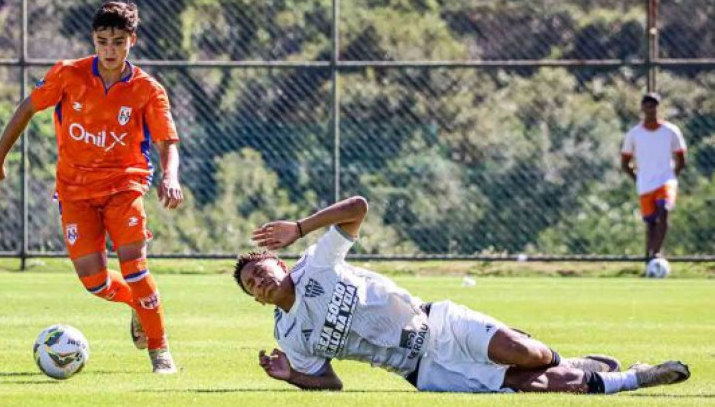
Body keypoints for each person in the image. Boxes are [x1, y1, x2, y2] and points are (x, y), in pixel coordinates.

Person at [233, 196, 691, 393]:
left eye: (261, 269)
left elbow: (358, 208)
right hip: (425, 370)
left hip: (437, 323)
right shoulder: (289, 335)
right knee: (536, 387)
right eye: (252, 284)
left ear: (281, 261)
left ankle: (564, 361)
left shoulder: (317, 261)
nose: (260, 281)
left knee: (527, 353)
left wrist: (300, 227)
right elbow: (331, 383)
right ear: (256, 300)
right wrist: (290, 375)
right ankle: (635, 379)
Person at [0, 1, 182, 374]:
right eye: (103, 41)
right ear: (94, 38)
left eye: (118, 42)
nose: (110, 50)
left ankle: (160, 351)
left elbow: (168, 141)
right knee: (95, 282)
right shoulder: (68, 75)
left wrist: (170, 176)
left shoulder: (147, 90)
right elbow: (27, 108)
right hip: (74, 191)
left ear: (131, 41)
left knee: (135, 268)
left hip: (125, 186)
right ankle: (139, 305)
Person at [621, 92, 687, 262]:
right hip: (645, 182)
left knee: (663, 210)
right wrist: (636, 177)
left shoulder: (670, 131)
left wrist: (673, 176)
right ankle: (651, 256)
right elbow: (625, 162)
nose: (651, 109)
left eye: (654, 105)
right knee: (650, 222)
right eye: (648, 105)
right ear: (642, 108)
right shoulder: (634, 134)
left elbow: (681, 157)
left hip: (666, 179)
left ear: (659, 107)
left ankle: (657, 253)